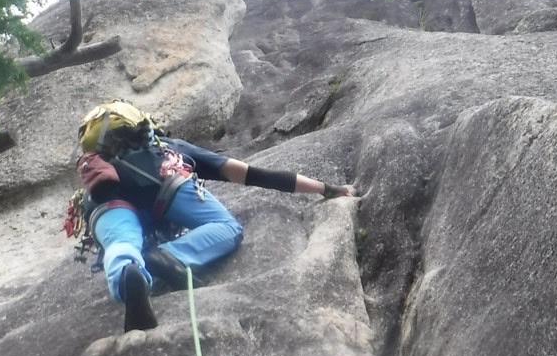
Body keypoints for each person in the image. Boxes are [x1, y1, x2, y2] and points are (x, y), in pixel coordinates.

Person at [70, 100, 356, 332]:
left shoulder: (100, 170)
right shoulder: (174, 150)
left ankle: (129, 272)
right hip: (169, 186)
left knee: (121, 241)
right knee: (226, 227)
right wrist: (326, 188)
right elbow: (256, 176)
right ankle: (171, 255)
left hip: (104, 202)